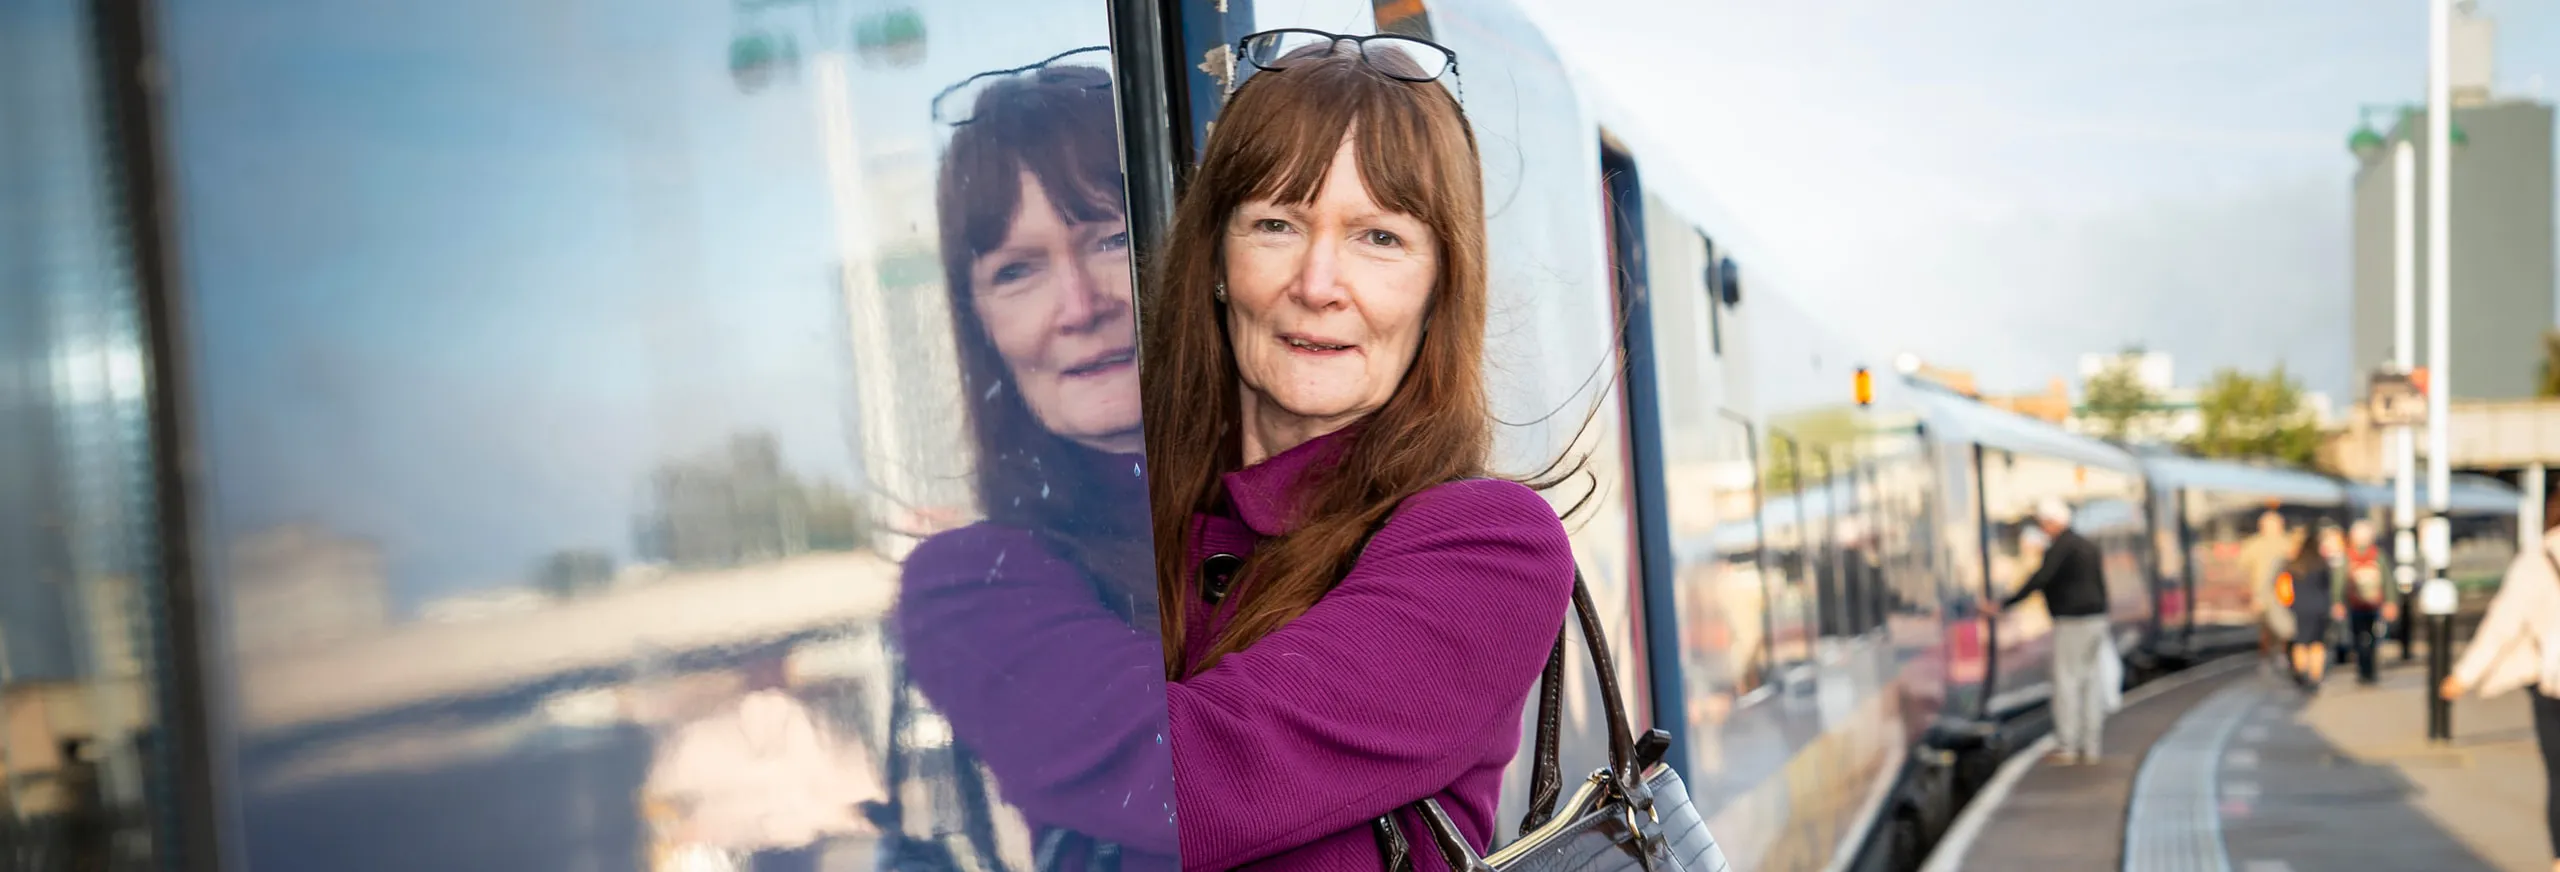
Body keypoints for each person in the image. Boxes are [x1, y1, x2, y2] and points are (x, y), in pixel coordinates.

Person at [1139, 31, 1580, 869]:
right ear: (1219, 261)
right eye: (1276, 224)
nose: (1317, 285)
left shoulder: (1491, 549)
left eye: (1378, 238)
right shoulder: (1125, 517)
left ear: (1440, 285)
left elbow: (1175, 787)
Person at [894, 49, 1177, 871]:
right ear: (979, 323)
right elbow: (1207, 789)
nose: (1079, 307)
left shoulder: (1343, 504)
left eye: (1114, 238)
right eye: (1017, 271)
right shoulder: (972, 588)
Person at [2441, 490, 2560, 872]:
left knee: (2559, 774)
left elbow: (2503, 623)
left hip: (2552, 681)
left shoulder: (2539, 559)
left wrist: (2463, 676)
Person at [1988, 498, 2112, 764]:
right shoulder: (2087, 545)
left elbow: (2040, 578)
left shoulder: (2061, 547)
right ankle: (2092, 745)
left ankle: (2068, 746)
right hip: (2096, 619)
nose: (2042, 529)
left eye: (2044, 523)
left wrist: (2004, 604)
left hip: (2072, 621)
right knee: (2090, 682)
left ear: (2053, 522)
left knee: (2067, 682)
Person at [2241, 510, 2298, 675]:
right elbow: (2244, 569)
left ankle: (2282, 654)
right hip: (2261, 593)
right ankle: (2265, 657)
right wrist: (2251, 593)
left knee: (2285, 626)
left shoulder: (2288, 543)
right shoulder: (2254, 545)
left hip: (2284, 592)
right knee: (2265, 627)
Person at [2282, 525, 2336, 691]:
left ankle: (2301, 674)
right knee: (2317, 643)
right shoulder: (2322, 564)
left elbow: (2284, 587)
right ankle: (2315, 677)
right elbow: (2329, 587)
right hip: (2319, 608)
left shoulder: (2293, 565)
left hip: (2298, 608)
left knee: (2300, 642)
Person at [2342, 520, 2394, 685]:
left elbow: (2387, 580)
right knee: (2367, 639)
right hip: (2360, 604)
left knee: (2364, 639)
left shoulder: (2375, 556)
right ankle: (2367, 670)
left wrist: (2390, 601)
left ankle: (2366, 670)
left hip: (2368, 605)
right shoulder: (2356, 556)